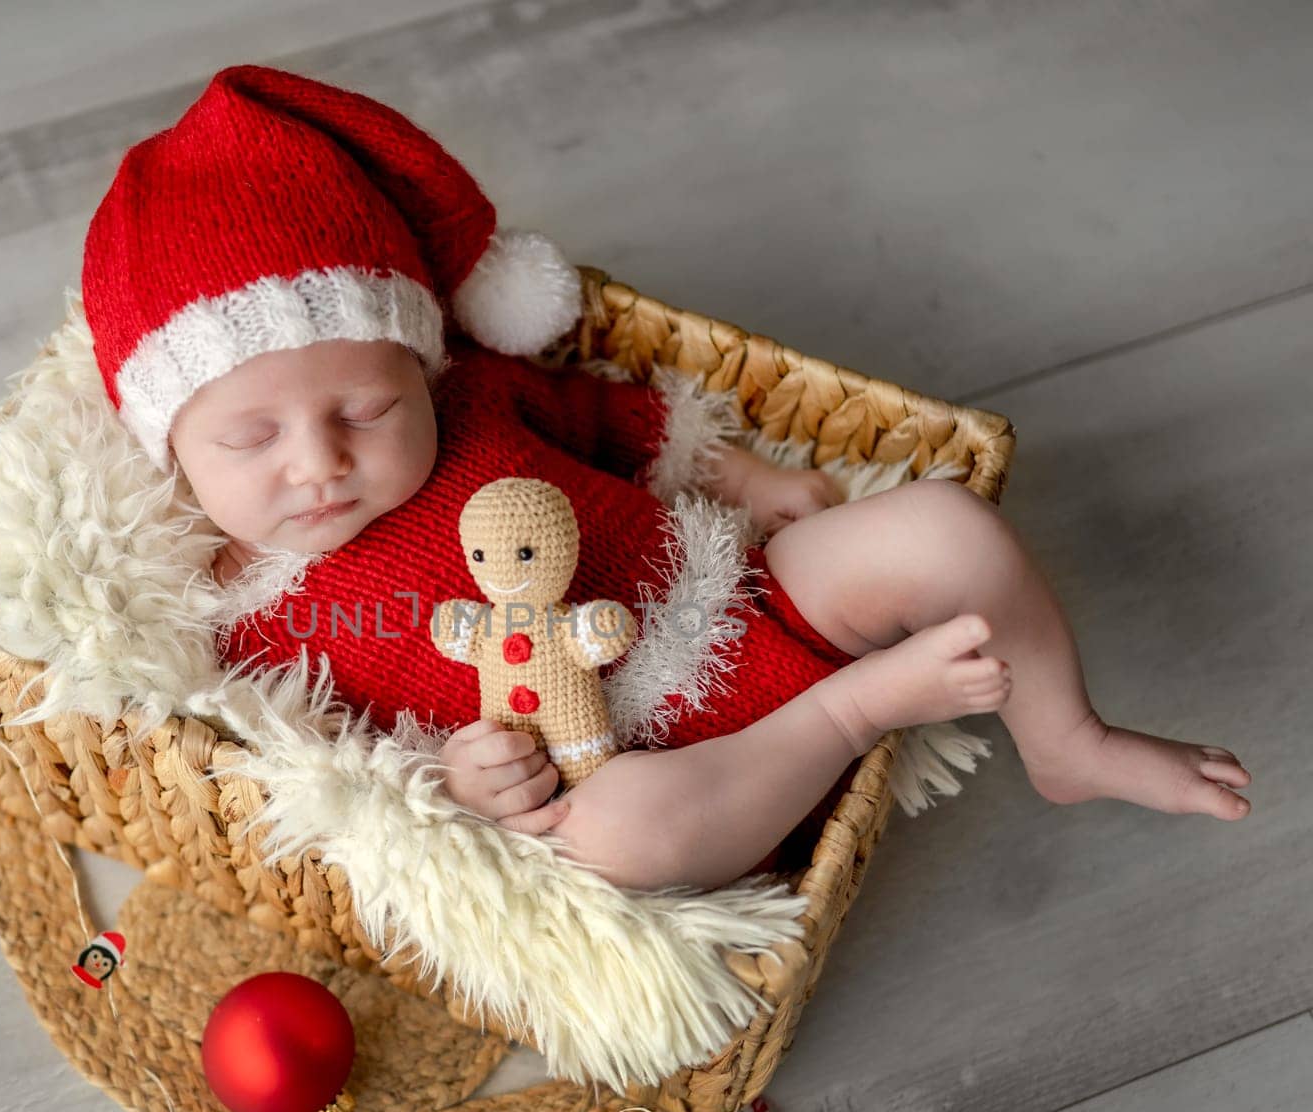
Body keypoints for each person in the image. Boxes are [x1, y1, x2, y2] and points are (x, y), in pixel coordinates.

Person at [79, 64, 1251, 893]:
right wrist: (452, 774)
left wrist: (741, 477)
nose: (320, 459)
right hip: (631, 778)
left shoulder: (476, 399)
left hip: (745, 601)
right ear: (169, 451)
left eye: (362, 409)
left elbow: (618, 419)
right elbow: (334, 778)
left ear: (422, 363)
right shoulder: (250, 618)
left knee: (942, 524)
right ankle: (856, 709)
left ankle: (1067, 739)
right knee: (618, 840)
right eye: (249, 440)